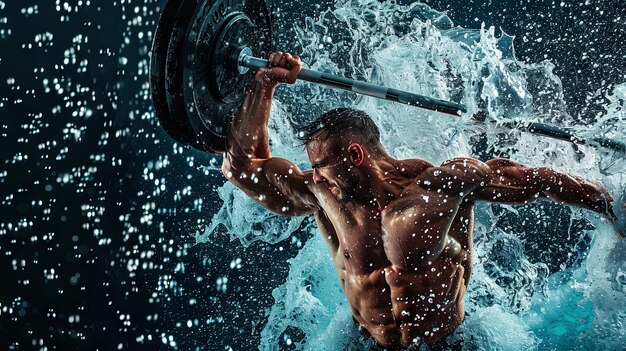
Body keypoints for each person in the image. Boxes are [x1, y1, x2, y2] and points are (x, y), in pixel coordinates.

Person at [221, 51, 625, 349]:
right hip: (366, 343)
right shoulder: (324, 195)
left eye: (323, 164)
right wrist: (264, 84)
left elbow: (535, 182)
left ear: (356, 156)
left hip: (451, 343)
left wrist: (611, 205)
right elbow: (242, 168)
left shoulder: (443, 185)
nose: (316, 174)